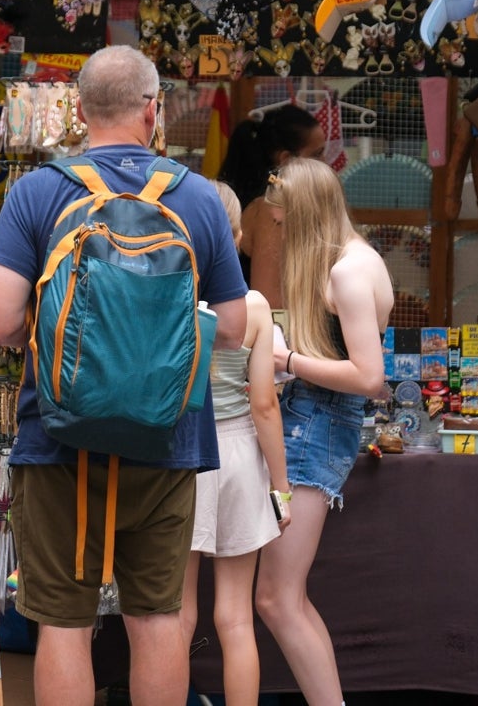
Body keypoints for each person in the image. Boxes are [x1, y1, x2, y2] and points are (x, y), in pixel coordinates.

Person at [0, 45, 248, 706]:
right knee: (157, 623)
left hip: (59, 440)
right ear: (153, 110)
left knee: (64, 627)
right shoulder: (198, 198)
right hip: (168, 440)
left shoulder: (38, 191)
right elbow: (235, 327)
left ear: (78, 108)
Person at [254, 157, 394, 706]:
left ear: (305, 213)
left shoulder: (346, 272)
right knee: (281, 597)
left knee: (277, 599)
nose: (281, 231)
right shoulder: (359, 259)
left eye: (285, 221)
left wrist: (288, 357)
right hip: (318, 421)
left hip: (317, 424)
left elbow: (369, 377)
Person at [180, 181, 291, 706]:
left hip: (184, 456)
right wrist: (283, 487)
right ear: (240, 236)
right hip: (243, 457)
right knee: (235, 616)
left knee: (176, 612)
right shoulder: (255, 306)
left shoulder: (174, 296)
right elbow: (265, 405)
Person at [217, 104, 325, 309]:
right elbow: (270, 304)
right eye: (317, 154)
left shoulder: (272, 205)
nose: (326, 163)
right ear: (286, 160)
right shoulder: (271, 210)